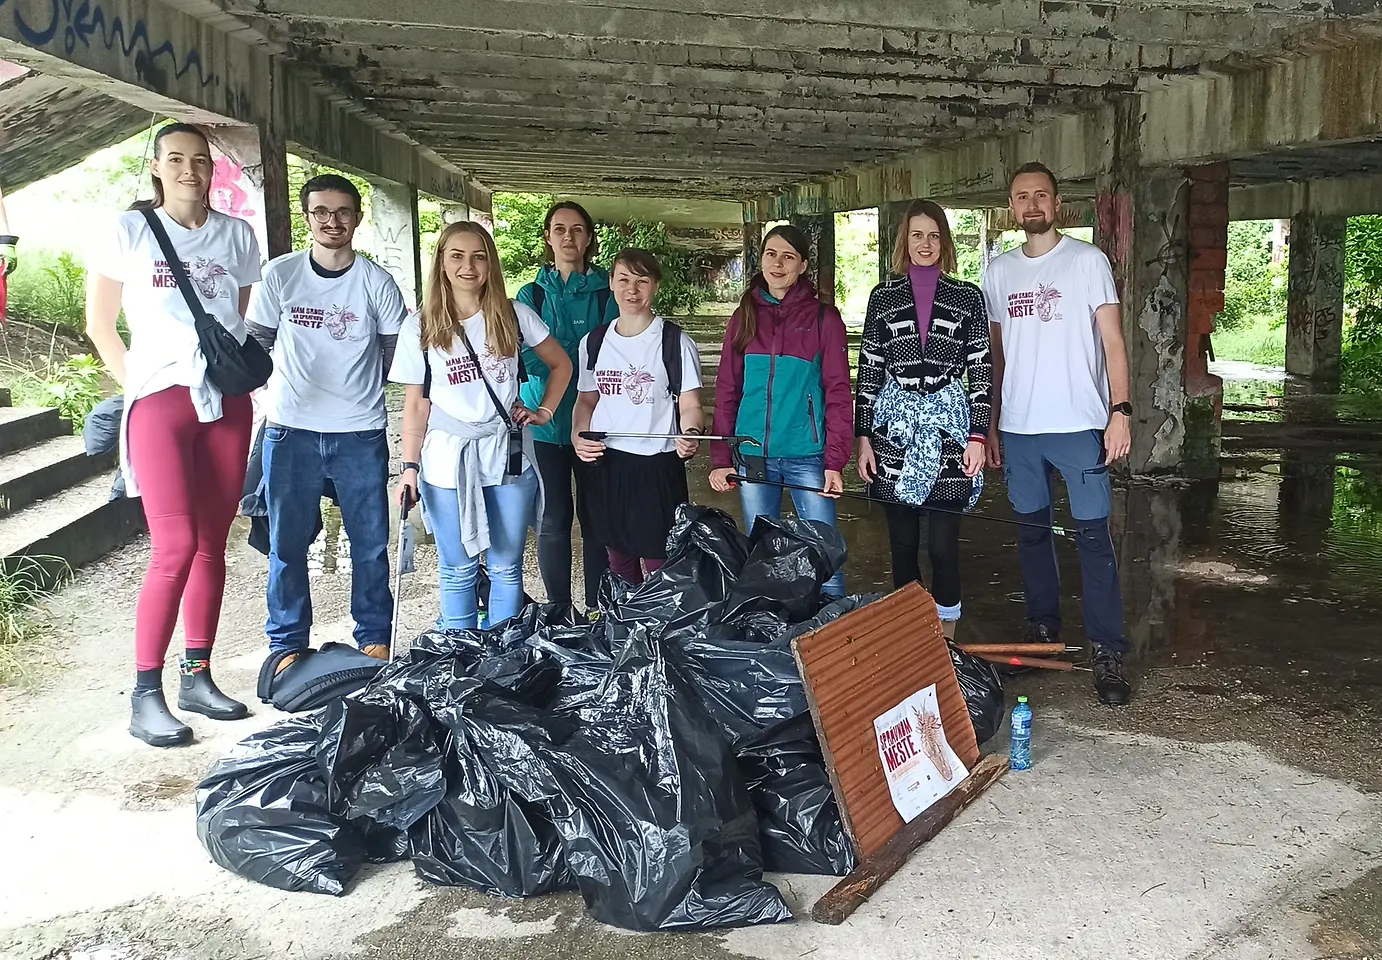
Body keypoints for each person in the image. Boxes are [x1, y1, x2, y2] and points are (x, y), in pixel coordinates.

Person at [85, 123, 262, 747]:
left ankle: (198, 674)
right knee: (175, 543)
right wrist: (139, 383)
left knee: (214, 542)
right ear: (156, 167)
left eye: (199, 160)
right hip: (160, 403)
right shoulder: (129, 231)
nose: (190, 169)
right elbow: (100, 322)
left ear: (213, 168)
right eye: (176, 159)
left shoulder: (237, 235)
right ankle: (145, 693)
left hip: (226, 402)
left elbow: (235, 315)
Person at [982, 161, 1133, 706]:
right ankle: (1043, 633)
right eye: (1022, 197)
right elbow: (995, 357)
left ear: (1057, 204)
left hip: (1079, 423)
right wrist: (990, 423)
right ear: (1012, 206)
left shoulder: (1087, 262)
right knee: (1031, 536)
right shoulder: (998, 273)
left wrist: (1120, 410)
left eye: (1041, 195)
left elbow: (1113, 343)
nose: (1032, 206)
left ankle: (1107, 651)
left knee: (1094, 539)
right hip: (1020, 427)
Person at [246, 174, 407, 670]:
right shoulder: (281, 275)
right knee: (286, 544)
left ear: (358, 217)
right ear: (306, 216)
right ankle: (287, 644)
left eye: (343, 212)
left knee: (370, 543)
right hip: (290, 428)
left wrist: (354, 389)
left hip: (360, 430)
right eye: (321, 211)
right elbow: (258, 344)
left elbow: (392, 353)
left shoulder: (376, 282)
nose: (332, 221)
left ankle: (374, 637)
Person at [390, 221, 572, 630]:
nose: (468, 266)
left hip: (506, 455)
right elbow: (417, 404)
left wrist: (543, 411)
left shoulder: (513, 315)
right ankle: (460, 657)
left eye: (478, 256)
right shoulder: (419, 326)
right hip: (445, 461)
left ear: (491, 263)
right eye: (457, 256)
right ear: (442, 262)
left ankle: (503, 658)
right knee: (457, 568)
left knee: (506, 566)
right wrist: (409, 468)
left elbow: (562, 365)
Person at [855, 200, 991, 639]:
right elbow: (870, 368)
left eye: (934, 235)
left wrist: (977, 435)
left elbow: (982, 370)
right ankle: (910, 636)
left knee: (943, 545)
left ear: (945, 242)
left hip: (950, 431)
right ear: (904, 241)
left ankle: (947, 639)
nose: (925, 244)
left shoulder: (968, 297)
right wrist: (863, 436)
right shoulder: (884, 297)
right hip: (893, 433)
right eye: (917, 235)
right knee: (903, 543)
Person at [708, 225, 852, 596]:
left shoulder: (824, 318)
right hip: (753, 454)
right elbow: (728, 389)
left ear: (802, 265)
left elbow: (837, 391)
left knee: (825, 553)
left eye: (788, 256)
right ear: (761, 259)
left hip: (806, 455)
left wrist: (835, 461)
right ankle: (772, 636)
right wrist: (722, 457)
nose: (778, 263)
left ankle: (832, 634)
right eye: (772, 254)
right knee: (762, 554)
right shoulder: (744, 317)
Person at [571, 248, 704, 585]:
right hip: (607, 464)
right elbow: (586, 400)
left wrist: (690, 432)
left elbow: (690, 404)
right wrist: (578, 434)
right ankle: (626, 625)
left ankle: (659, 627)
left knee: (662, 558)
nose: (632, 289)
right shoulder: (594, 342)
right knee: (619, 557)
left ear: (655, 286)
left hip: (656, 465)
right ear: (612, 284)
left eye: (642, 281)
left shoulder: (675, 342)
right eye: (624, 279)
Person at [515, 202, 619, 613]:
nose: (568, 238)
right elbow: (525, 356)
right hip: (543, 424)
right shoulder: (532, 293)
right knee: (554, 517)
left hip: (596, 422)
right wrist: (567, 362)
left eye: (577, 230)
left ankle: (597, 604)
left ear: (589, 238)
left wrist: (560, 360)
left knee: (596, 519)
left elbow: (612, 351)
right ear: (547, 237)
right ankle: (559, 607)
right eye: (559, 229)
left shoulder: (606, 292)